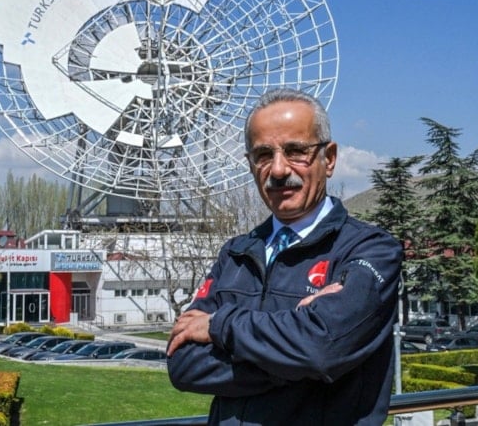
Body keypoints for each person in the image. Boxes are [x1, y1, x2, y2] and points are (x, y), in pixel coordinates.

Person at [167, 88, 403, 425]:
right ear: (250, 164)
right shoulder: (235, 254)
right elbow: (183, 364)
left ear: (329, 158)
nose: (278, 170)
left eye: (296, 151)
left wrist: (219, 326)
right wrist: (299, 360)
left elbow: (321, 348)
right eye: (263, 154)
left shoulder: (371, 250)